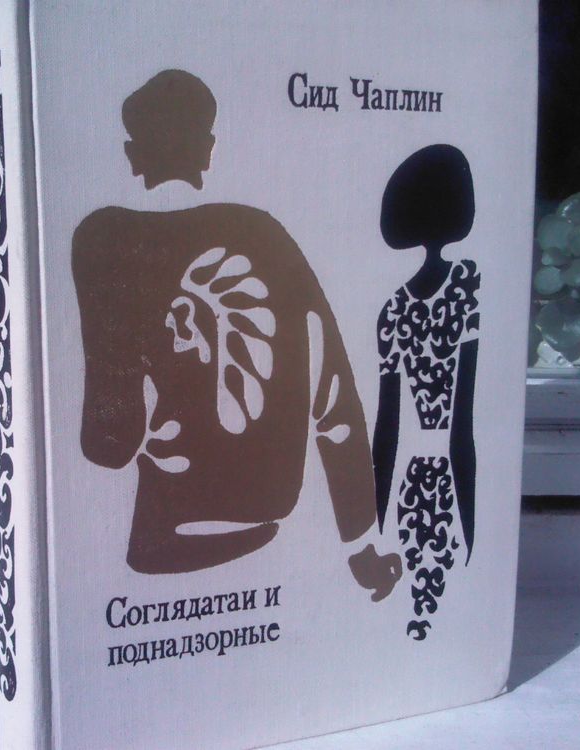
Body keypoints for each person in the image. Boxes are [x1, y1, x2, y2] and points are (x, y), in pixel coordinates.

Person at [72, 69, 400, 599]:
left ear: (133, 153)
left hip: (163, 541)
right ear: (208, 150)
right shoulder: (265, 234)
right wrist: (360, 540)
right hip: (271, 524)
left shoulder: (105, 239)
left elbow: (109, 441)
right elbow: (333, 396)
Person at [373, 144, 479, 640]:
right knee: (439, 583)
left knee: (423, 589)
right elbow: (463, 420)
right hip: (443, 473)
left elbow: (387, 428)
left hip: (413, 480)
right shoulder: (467, 289)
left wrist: (379, 511)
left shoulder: (393, 308)